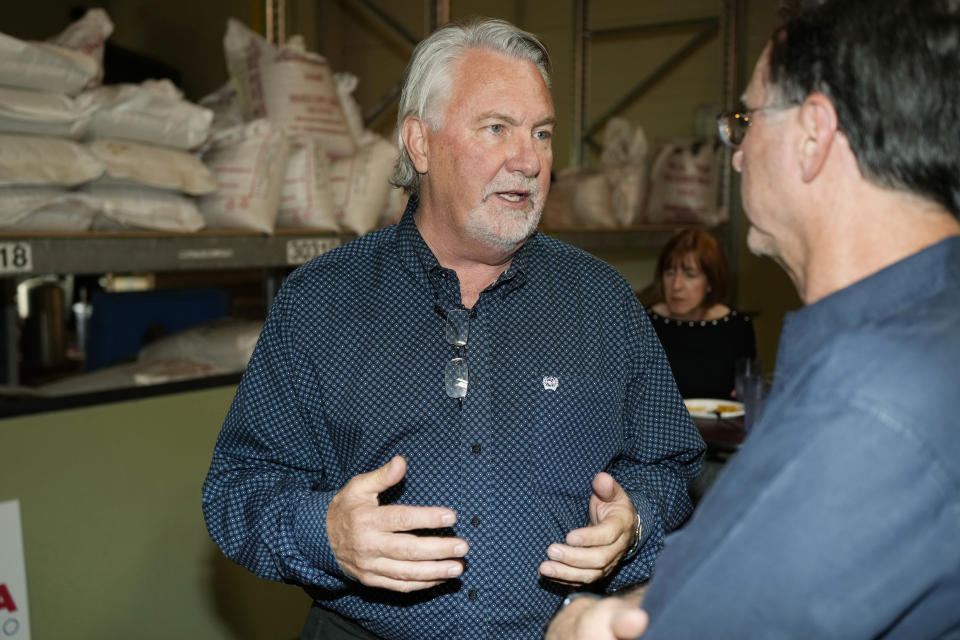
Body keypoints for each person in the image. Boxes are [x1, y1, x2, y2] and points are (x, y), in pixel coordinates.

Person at [201, 17, 704, 640]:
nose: (529, 160)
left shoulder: (602, 303)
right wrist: (323, 533)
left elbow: (668, 464)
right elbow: (239, 489)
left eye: (542, 133)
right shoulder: (322, 301)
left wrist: (636, 521)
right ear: (420, 143)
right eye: (497, 128)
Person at [546, 0, 960, 637]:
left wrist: (585, 625)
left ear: (814, 134)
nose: (735, 156)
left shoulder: (871, 399)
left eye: (745, 119)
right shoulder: (918, 340)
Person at [647, 228, 756, 399]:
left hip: (721, 424)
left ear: (711, 281)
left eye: (690, 275)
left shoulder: (736, 327)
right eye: (669, 273)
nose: (676, 286)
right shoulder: (641, 323)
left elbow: (746, 389)